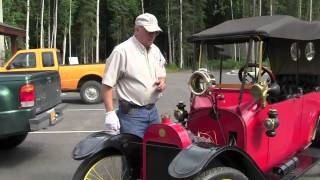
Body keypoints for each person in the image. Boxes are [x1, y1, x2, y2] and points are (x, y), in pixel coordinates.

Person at [102, 13, 166, 138]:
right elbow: (106, 85)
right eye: (149, 32)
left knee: (155, 151)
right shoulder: (121, 51)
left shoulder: (155, 50)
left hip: (153, 112)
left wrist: (162, 82)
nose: (152, 35)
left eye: (155, 32)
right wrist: (109, 113)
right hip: (131, 116)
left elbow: (162, 74)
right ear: (137, 30)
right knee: (134, 155)